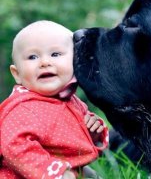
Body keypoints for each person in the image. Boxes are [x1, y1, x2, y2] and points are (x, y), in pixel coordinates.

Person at [0, 20, 109, 179]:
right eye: (32, 57)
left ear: (75, 61)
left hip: (65, 167)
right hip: (23, 174)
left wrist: (92, 132)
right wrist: (52, 172)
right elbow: (14, 146)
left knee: (90, 174)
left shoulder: (72, 102)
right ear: (17, 74)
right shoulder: (23, 108)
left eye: (55, 54)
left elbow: (72, 142)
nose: (45, 62)